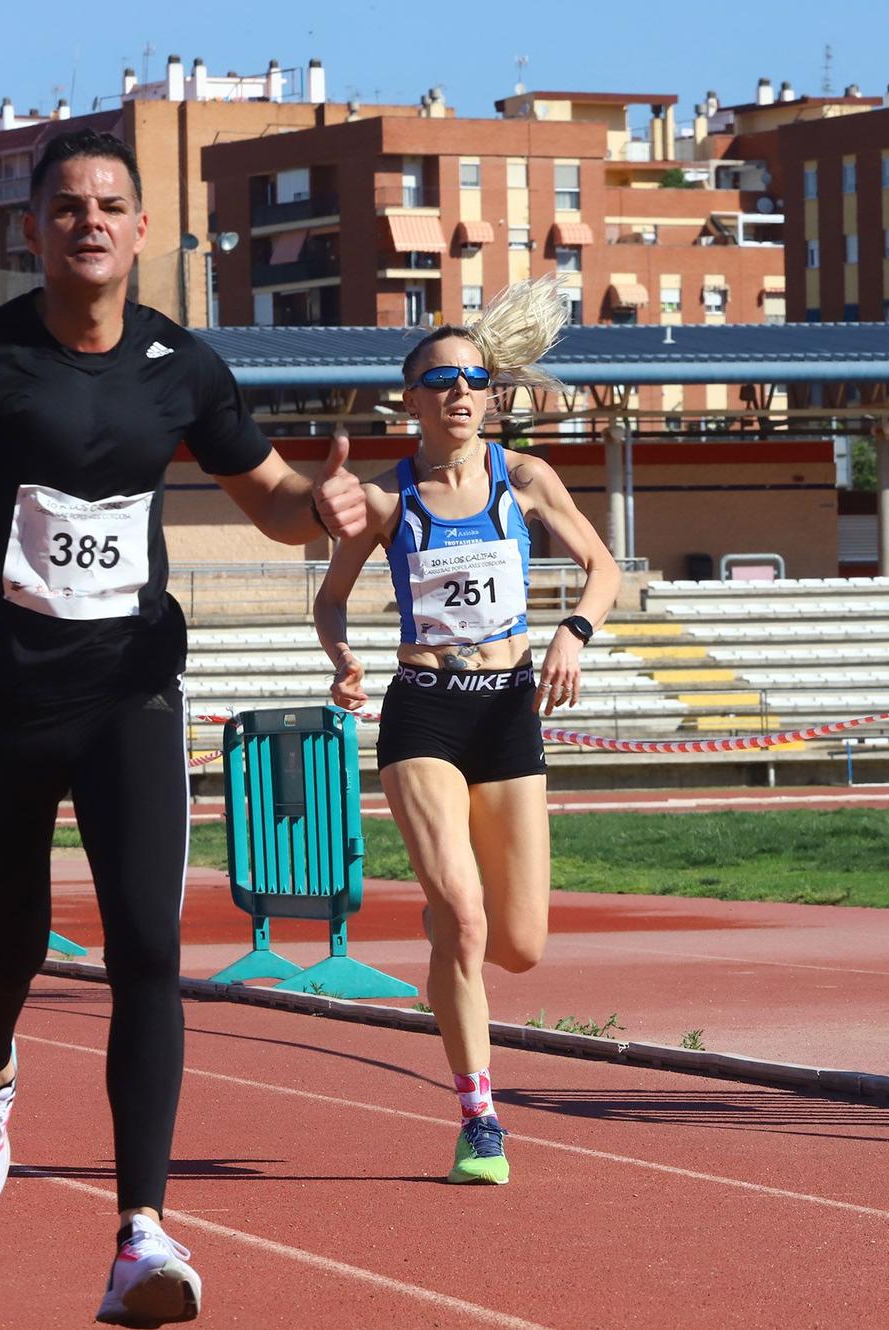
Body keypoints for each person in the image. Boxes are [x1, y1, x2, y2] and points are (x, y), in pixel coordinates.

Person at [0, 127, 366, 1328]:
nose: (87, 220)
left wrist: (322, 506)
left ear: (141, 230)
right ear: (32, 230)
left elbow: (272, 495)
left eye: (109, 204)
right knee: (14, 941)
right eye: (64, 205)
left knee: (145, 950)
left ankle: (139, 1234)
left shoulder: (181, 366)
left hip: (130, 686)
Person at [313, 277, 619, 1185]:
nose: (458, 392)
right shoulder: (382, 499)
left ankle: (448, 926)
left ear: (491, 394)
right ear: (409, 400)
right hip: (424, 710)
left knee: (517, 945)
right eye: (440, 379)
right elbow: (330, 602)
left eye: (473, 379)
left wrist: (574, 632)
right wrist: (344, 660)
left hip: (510, 709)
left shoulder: (525, 479)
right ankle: (479, 1116)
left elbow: (601, 568)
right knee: (468, 913)